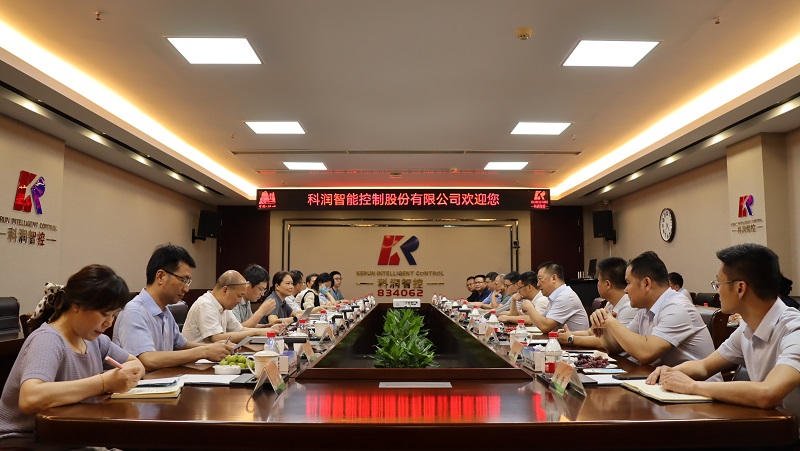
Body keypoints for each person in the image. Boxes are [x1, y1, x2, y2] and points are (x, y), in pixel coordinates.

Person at [647, 244, 800, 420]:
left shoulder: (794, 330)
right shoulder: (747, 328)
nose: (718, 291)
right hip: (768, 426)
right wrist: (670, 372)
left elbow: (768, 393)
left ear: (740, 288)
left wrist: (692, 386)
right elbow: (704, 366)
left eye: (718, 283)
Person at [0, 265, 144, 444]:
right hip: (24, 441)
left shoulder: (94, 340)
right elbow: (30, 398)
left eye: (114, 315)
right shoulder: (48, 340)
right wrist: (104, 383)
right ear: (77, 305)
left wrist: (125, 376)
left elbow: (136, 363)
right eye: (104, 313)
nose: (109, 322)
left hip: (70, 435)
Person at [113, 245, 235, 372]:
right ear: (160, 276)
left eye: (188, 282)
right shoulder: (134, 312)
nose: (186, 289)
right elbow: (147, 360)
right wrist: (204, 351)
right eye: (183, 280)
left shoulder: (165, 311)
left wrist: (216, 347)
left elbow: (182, 345)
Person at [592, 251, 717, 368]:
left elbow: (646, 353)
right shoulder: (645, 310)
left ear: (646, 283)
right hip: (665, 379)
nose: (625, 290)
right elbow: (615, 347)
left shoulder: (676, 306)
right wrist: (604, 324)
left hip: (696, 383)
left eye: (628, 283)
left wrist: (611, 322)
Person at [182, 270, 282, 344]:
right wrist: (257, 332)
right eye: (239, 296)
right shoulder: (205, 304)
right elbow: (217, 338)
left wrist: (267, 330)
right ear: (225, 290)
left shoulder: (224, 305)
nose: (240, 301)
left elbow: (239, 330)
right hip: (196, 362)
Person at [558, 257, 638, 348]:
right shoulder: (610, 304)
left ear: (607, 284)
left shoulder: (629, 306)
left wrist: (571, 339)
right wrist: (567, 334)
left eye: (598, 280)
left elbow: (613, 342)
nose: (597, 284)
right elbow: (591, 332)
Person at [527, 262, 589, 333]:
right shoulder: (555, 296)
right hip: (562, 339)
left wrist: (529, 307)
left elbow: (545, 326)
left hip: (574, 340)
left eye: (540, 279)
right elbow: (541, 320)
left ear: (554, 278)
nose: (538, 284)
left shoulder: (565, 296)